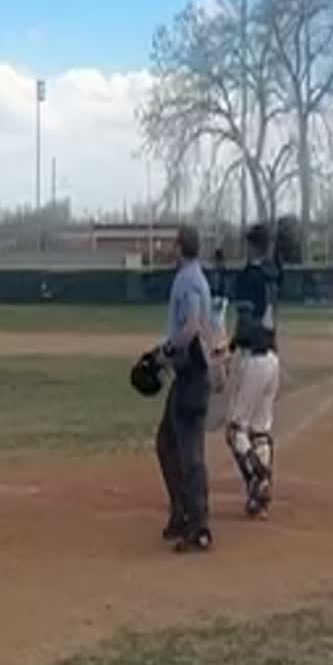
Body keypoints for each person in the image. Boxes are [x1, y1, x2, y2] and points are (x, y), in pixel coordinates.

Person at [154, 224, 215, 553]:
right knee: (167, 443)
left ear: (180, 247)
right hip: (188, 372)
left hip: (193, 372)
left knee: (189, 452)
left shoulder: (189, 279)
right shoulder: (195, 276)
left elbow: (191, 326)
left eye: (172, 243)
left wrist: (166, 350)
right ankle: (181, 512)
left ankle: (199, 525)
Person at [225, 223, 281, 518]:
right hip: (273, 356)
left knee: (236, 429)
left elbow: (246, 323)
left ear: (250, 246)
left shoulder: (249, 277)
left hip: (253, 357)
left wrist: (230, 345)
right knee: (260, 430)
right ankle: (259, 502)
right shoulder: (273, 276)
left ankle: (259, 478)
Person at [209, 246, 230, 345]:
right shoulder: (215, 269)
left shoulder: (222, 269)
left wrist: (222, 299)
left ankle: (222, 343)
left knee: (219, 322)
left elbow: (225, 285)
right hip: (214, 297)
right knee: (214, 322)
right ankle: (216, 343)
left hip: (220, 298)